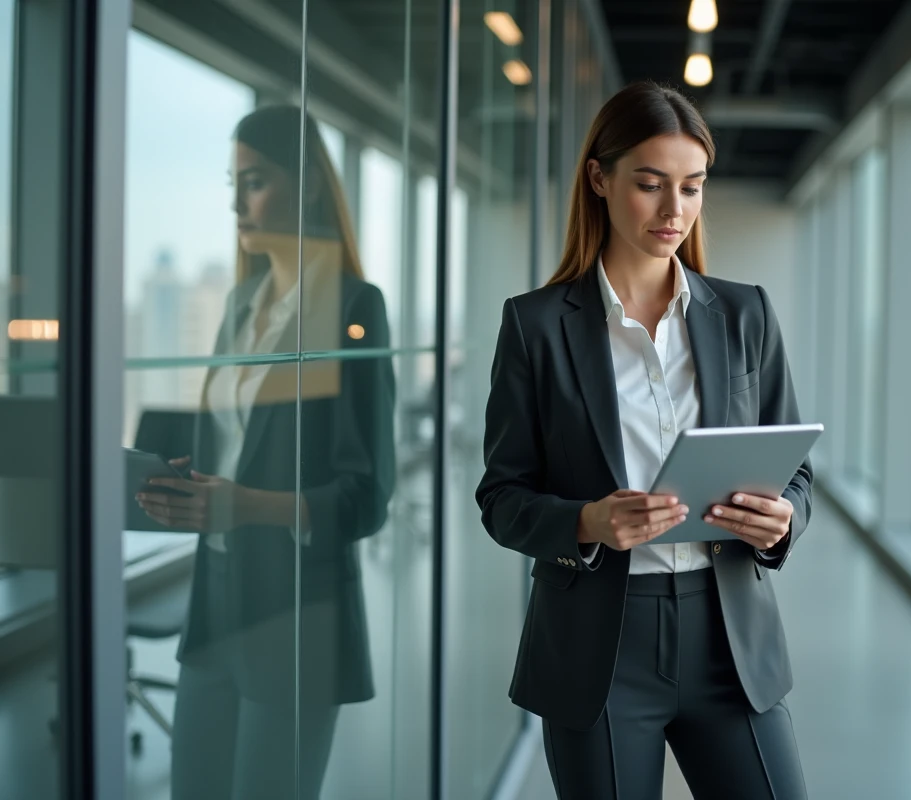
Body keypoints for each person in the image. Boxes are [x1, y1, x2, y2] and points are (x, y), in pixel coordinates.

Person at [476, 81, 813, 799]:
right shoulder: (536, 326)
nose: (674, 211)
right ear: (599, 179)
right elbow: (501, 498)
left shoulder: (745, 313)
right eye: (651, 185)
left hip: (730, 642)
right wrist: (588, 520)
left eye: (691, 188)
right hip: (600, 648)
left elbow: (796, 472)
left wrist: (783, 520)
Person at [134, 105, 396, 800]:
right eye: (232, 182)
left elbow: (367, 497)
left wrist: (242, 505)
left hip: (298, 608)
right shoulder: (241, 304)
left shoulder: (352, 303)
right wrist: (179, 485)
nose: (236, 201)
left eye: (253, 181)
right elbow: (235, 446)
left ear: (306, 183)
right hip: (216, 598)